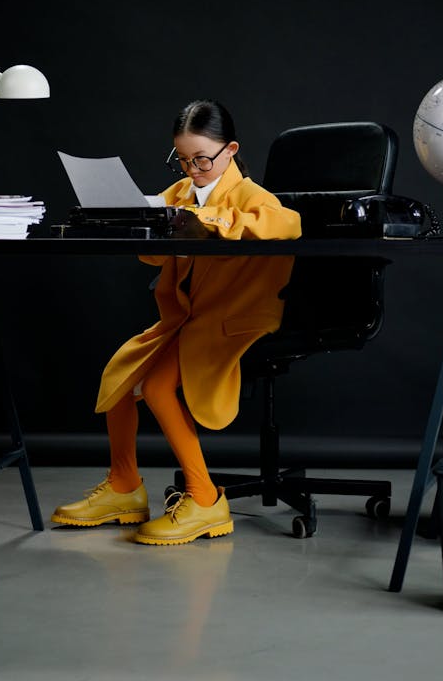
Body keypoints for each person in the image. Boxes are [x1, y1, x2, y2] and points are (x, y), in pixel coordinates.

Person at [51, 99, 301, 545]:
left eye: (202, 158)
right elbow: (155, 253)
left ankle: (206, 500)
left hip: (234, 317)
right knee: (120, 376)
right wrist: (133, 221)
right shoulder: (179, 193)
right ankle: (124, 485)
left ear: (231, 150)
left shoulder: (253, 197)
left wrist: (204, 220)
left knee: (160, 386)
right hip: (189, 317)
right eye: (182, 159)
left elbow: (288, 224)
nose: (193, 168)